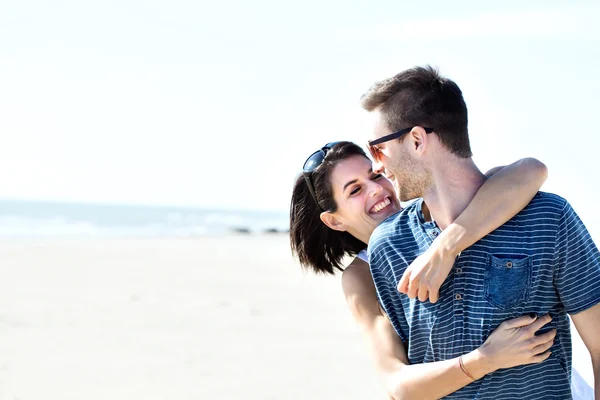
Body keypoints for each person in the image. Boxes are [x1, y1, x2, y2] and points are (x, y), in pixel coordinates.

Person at [362, 66, 600, 399]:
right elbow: (405, 383)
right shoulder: (389, 245)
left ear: (417, 140)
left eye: (377, 148)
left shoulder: (547, 218)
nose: (376, 166)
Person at [290, 141, 563, 399]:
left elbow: (531, 171)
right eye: (354, 190)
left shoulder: (441, 210)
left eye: (375, 176)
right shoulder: (361, 276)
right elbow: (397, 384)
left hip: (552, 383)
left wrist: (445, 247)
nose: (375, 190)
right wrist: (486, 359)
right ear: (334, 221)